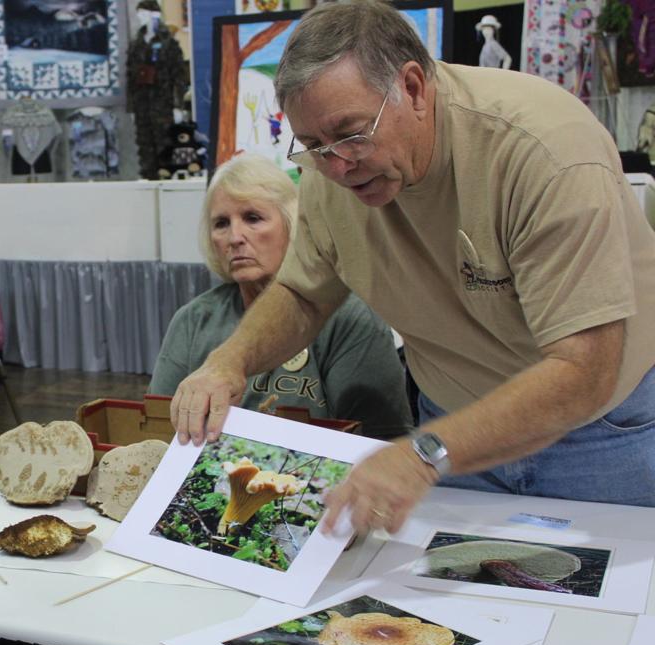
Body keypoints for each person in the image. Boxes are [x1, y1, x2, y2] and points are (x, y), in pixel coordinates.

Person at [171, 0, 655, 535]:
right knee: (468, 610)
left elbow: (583, 372)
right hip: (454, 429)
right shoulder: (331, 173)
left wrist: (422, 453)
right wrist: (229, 361)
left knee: (612, 609)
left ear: (415, 88)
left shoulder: (543, 152)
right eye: (312, 145)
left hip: (601, 431)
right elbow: (304, 293)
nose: (336, 165)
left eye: (351, 133)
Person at [149, 153, 412, 440]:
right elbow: (158, 429)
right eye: (221, 223)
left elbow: (382, 439)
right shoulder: (193, 320)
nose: (235, 237)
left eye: (253, 218)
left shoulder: (349, 318)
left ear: (291, 224)